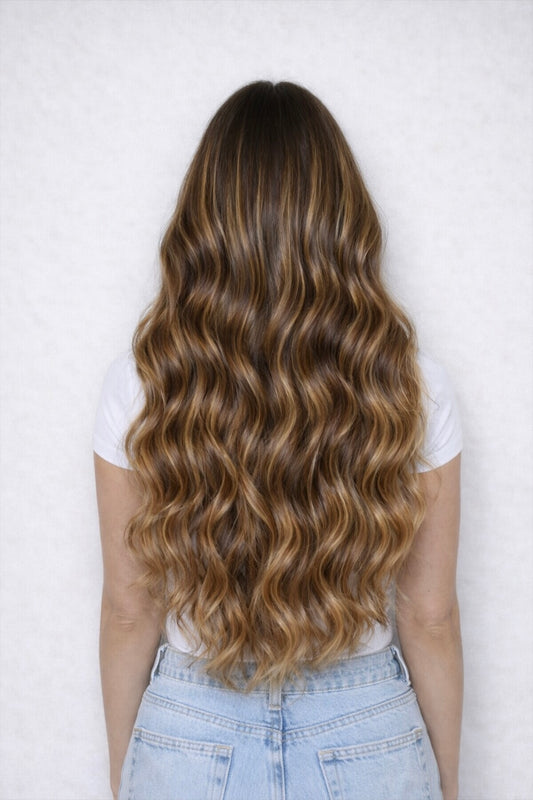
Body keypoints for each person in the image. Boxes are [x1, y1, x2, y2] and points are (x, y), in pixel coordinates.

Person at [94, 81, 463, 800]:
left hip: (189, 731)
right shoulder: (411, 383)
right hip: (366, 732)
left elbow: (128, 609)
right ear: (343, 218)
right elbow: (430, 615)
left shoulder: (143, 381)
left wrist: (128, 773)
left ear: (203, 220)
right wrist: (446, 784)